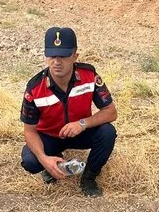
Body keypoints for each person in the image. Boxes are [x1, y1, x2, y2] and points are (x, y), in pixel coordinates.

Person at [20, 27, 118, 197]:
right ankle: (53, 163)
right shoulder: (34, 88)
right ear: (45, 56)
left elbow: (110, 112)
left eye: (63, 56)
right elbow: (29, 131)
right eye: (51, 55)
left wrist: (82, 123)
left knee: (108, 132)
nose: (56, 61)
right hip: (49, 136)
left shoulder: (89, 75)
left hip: (80, 132)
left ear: (75, 56)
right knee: (30, 160)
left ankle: (88, 178)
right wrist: (44, 159)